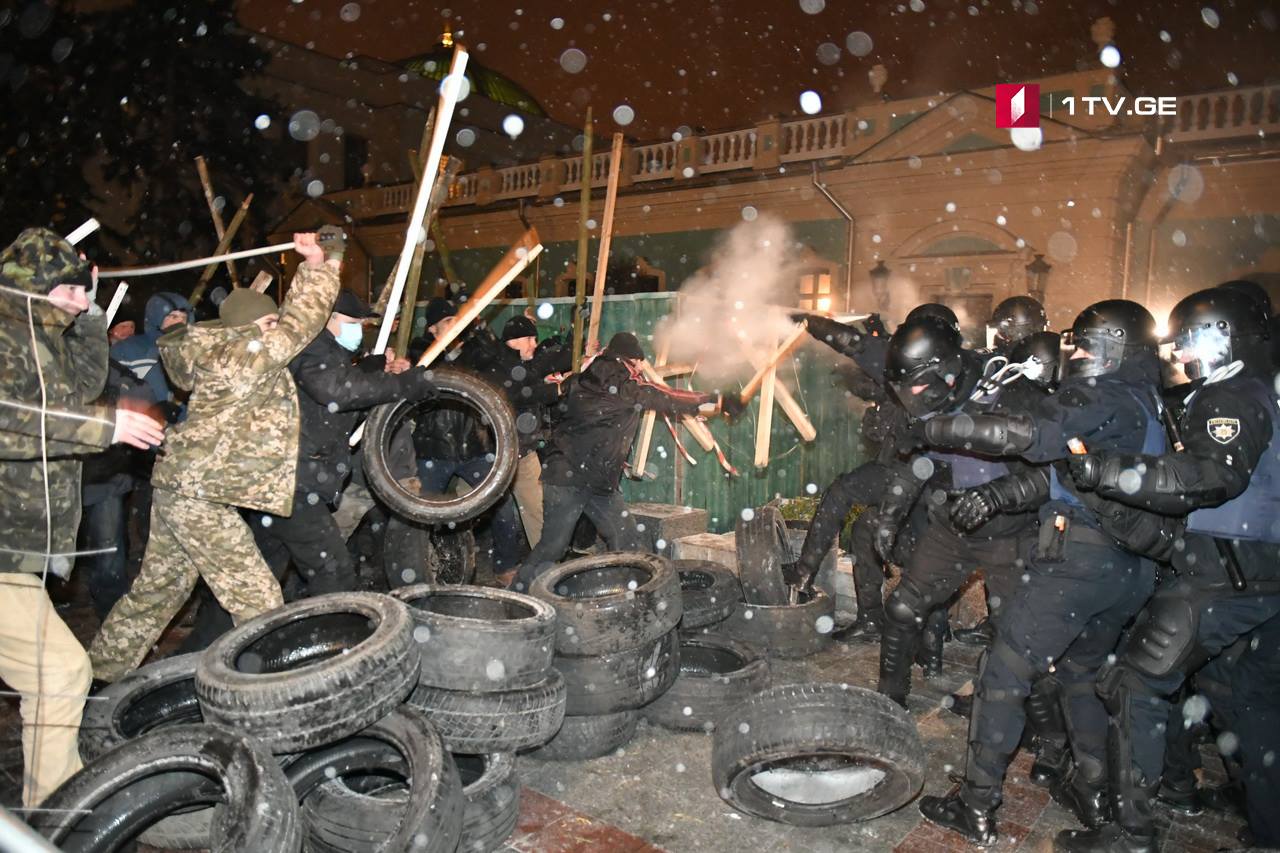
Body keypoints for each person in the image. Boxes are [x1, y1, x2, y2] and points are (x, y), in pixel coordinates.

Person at [915, 300, 1166, 845]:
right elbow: (1069, 474)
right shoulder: (1147, 400)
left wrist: (941, 424)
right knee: (1081, 674)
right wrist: (996, 493)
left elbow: (1027, 434)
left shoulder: (1102, 395)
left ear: (1118, 346)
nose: (1074, 352)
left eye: (1085, 343)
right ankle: (1093, 788)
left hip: (1078, 561)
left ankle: (977, 805)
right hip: (1129, 569)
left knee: (1003, 675)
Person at [1056, 287, 1280, 852]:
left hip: (1227, 572)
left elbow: (1211, 474)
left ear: (1221, 337)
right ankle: (1265, 815)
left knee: (1133, 685)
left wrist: (1105, 470)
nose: (1177, 356)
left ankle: (1130, 836)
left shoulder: (1231, 395)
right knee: (1244, 692)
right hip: (1259, 570)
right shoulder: (1260, 389)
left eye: (1185, 342)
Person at [88, 230, 341, 683]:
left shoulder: (216, 351)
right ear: (251, 327)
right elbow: (302, 320)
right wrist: (320, 264)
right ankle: (270, 694)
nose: (274, 328)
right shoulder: (247, 355)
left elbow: (186, 341)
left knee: (156, 593)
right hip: (198, 496)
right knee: (257, 599)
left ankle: (98, 678)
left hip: (179, 486)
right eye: (268, 322)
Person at [0, 227, 164, 807]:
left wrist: (92, 315)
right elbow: (11, 419)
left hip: (15, 549)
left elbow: (80, 386)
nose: (77, 301)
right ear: (38, 286)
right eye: (69, 291)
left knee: (55, 676)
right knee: (60, 675)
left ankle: (47, 817)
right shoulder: (5, 334)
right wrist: (106, 427)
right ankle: (50, 820)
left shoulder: (41, 337)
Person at [180, 287, 438, 649]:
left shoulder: (326, 350)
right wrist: (400, 385)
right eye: (352, 322)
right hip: (293, 486)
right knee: (334, 574)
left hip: (286, 485)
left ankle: (194, 654)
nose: (359, 329)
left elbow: (335, 390)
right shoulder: (311, 344)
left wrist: (375, 371)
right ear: (328, 319)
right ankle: (337, 655)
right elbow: (335, 391)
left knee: (257, 578)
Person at [873, 315, 1046, 706]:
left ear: (945, 372)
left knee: (1017, 636)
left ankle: (1036, 730)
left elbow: (1058, 473)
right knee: (903, 608)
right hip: (952, 526)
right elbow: (916, 463)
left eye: (915, 386)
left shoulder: (1010, 388)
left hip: (1012, 533)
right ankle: (889, 702)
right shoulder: (925, 396)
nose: (909, 398)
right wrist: (889, 516)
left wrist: (999, 495)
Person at [511, 332, 738, 590]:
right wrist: (710, 399)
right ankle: (515, 599)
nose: (641, 368)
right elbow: (658, 395)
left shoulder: (587, 376)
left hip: (591, 479)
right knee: (553, 546)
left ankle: (634, 597)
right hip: (572, 477)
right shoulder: (620, 379)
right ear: (630, 359)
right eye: (639, 362)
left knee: (626, 539)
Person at [407, 297, 526, 573]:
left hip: (473, 445)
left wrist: (478, 327)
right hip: (434, 450)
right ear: (433, 329)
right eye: (448, 322)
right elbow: (440, 377)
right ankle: (422, 570)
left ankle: (505, 566)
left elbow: (496, 355)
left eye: (456, 321)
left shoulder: (471, 351)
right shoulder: (421, 352)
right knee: (422, 516)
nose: (454, 326)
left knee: (502, 503)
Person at [482, 314, 572, 554]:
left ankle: (544, 567)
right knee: (480, 510)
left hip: (520, 450)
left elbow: (533, 382)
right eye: (529, 338)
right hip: (503, 452)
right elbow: (522, 393)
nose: (534, 343)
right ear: (512, 341)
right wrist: (558, 389)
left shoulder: (517, 363)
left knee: (535, 511)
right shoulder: (500, 366)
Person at [111, 290, 193, 413]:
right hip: (144, 425)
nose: (180, 322)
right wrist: (152, 409)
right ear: (157, 317)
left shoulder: (192, 350)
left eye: (184, 318)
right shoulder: (128, 348)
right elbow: (114, 390)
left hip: (190, 426)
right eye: (173, 316)